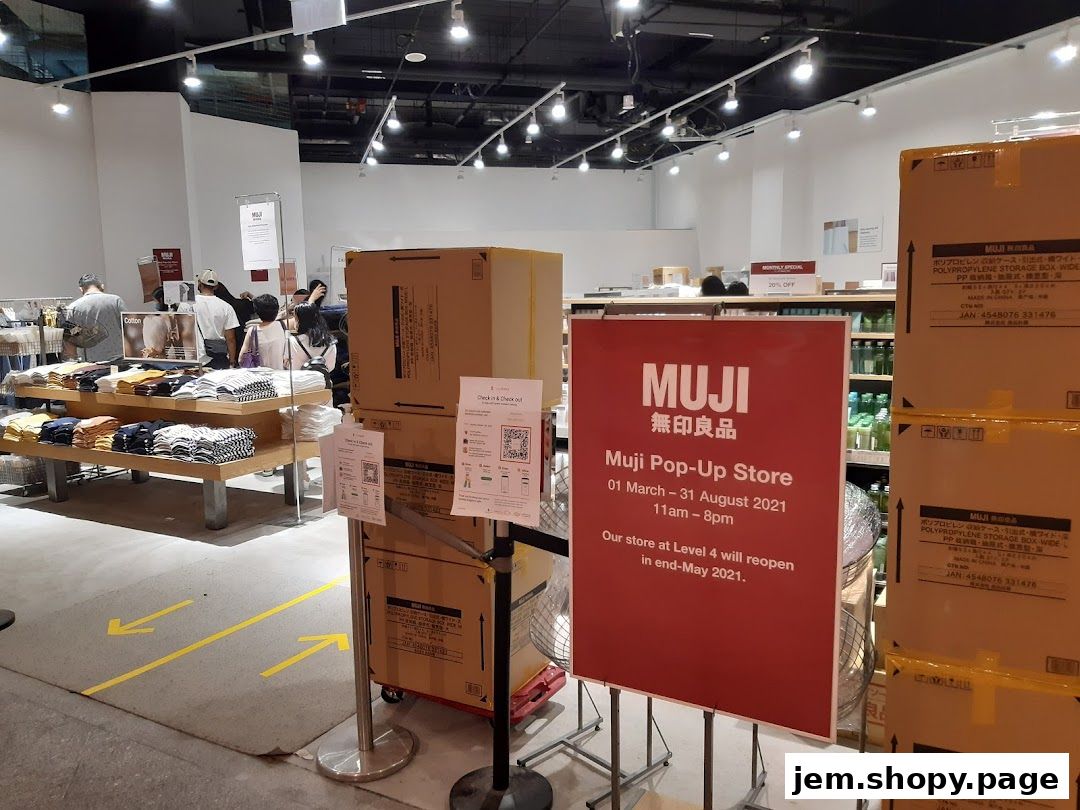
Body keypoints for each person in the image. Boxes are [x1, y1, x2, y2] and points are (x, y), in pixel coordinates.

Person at [178, 270, 239, 369]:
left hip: (193, 357)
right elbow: (231, 339)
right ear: (216, 287)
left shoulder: (186, 304)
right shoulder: (226, 307)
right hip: (218, 357)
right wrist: (232, 362)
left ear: (199, 284)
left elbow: (182, 331)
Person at [64, 274, 125, 362]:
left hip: (90, 364)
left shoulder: (73, 307)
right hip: (118, 359)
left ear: (81, 289)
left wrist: (73, 361)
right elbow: (129, 328)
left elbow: (71, 339)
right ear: (102, 286)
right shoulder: (116, 301)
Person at [238, 294, 290, 370]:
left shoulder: (252, 331)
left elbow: (241, 359)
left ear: (257, 312)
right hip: (281, 374)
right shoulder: (283, 325)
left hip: (261, 377)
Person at [287, 302, 337, 373]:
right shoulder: (330, 341)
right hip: (322, 381)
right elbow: (331, 367)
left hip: (300, 381)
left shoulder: (292, 341)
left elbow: (290, 366)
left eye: (295, 318)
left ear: (300, 321)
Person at [213, 281, 256, 350]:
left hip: (223, 346)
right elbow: (262, 306)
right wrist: (250, 295)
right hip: (243, 342)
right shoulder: (242, 304)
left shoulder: (218, 310)